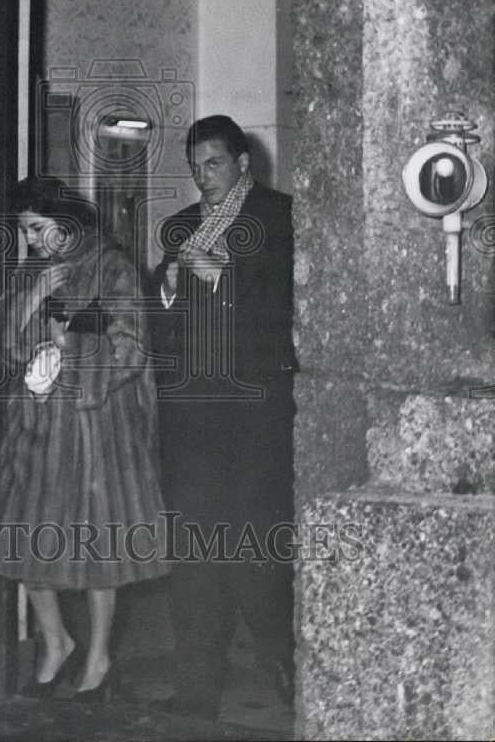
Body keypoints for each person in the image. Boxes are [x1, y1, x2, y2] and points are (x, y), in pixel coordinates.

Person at [0, 175, 169, 702]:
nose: (32, 241)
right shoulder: (31, 271)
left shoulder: (112, 265)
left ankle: (99, 655)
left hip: (96, 423)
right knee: (26, 537)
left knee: (98, 546)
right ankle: (56, 643)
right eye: (25, 231)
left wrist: (71, 361)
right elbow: (4, 344)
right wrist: (37, 296)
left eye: (38, 228)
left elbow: (130, 348)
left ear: (64, 222)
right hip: (40, 422)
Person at [151, 114, 298, 721]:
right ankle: (195, 691)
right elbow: (161, 320)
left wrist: (222, 279)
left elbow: (285, 313)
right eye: (193, 166)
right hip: (191, 416)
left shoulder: (279, 216)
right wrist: (167, 286)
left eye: (212, 164)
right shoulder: (183, 228)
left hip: (253, 416)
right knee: (192, 550)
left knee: (254, 550)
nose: (201, 177)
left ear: (243, 162)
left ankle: (287, 666)